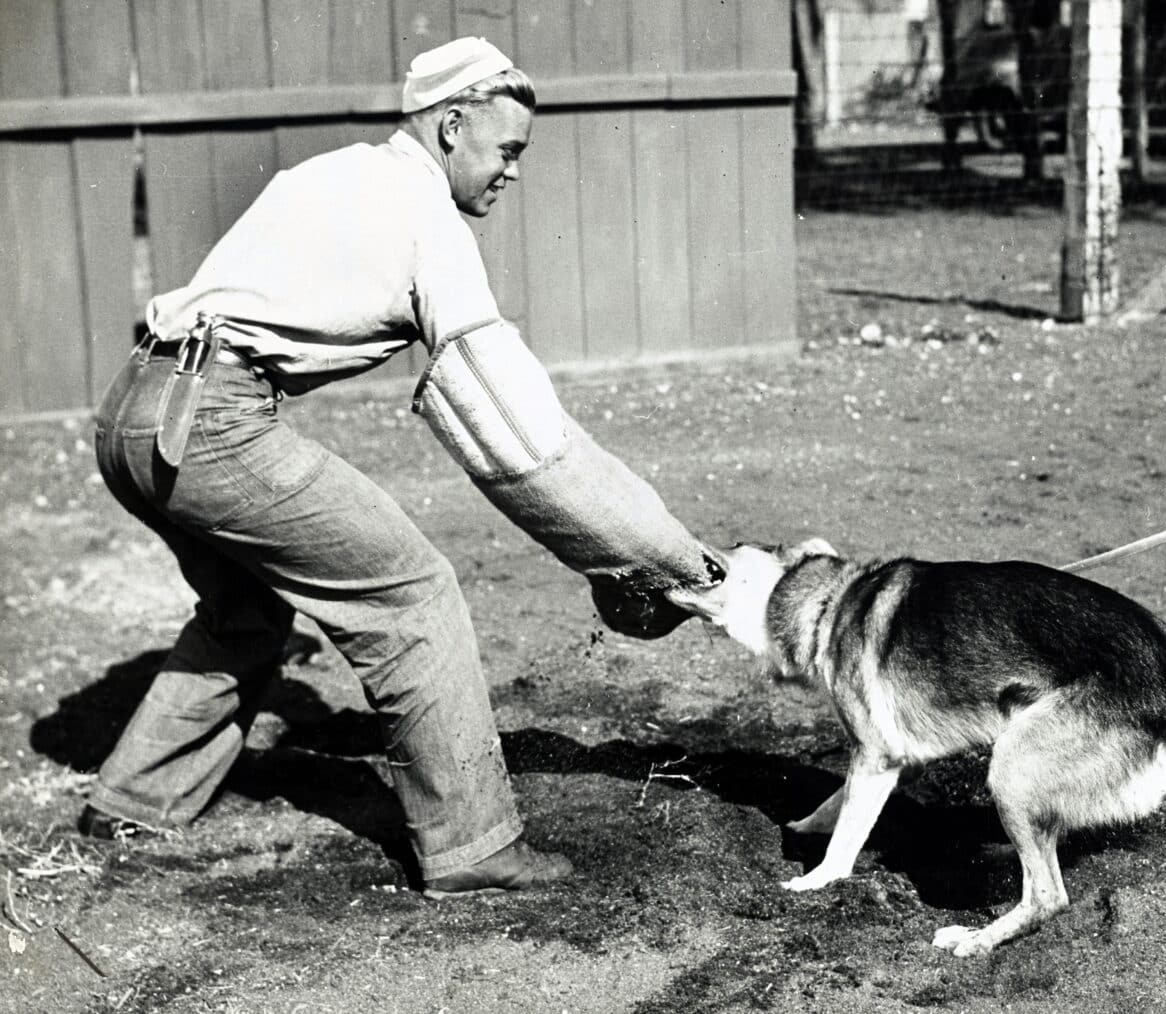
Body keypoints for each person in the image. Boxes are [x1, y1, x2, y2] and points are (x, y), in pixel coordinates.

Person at [82, 37, 721, 896]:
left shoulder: (331, 171)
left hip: (135, 405)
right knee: (411, 595)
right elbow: (512, 428)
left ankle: (136, 800)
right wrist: (668, 561)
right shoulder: (427, 215)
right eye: (508, 150)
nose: (514, 173)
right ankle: (473, 843)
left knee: (244, 613)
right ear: (452, 125)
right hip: (214, 422)